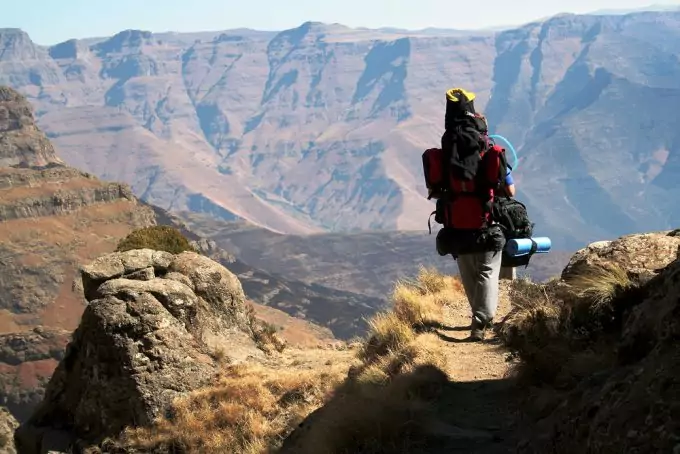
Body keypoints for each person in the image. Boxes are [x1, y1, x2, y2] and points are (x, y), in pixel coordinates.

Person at [498, 170, 517, 281]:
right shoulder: (496, 158)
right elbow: (511, 191)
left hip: (465, 221)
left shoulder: (458, 159)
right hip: (495, 215)